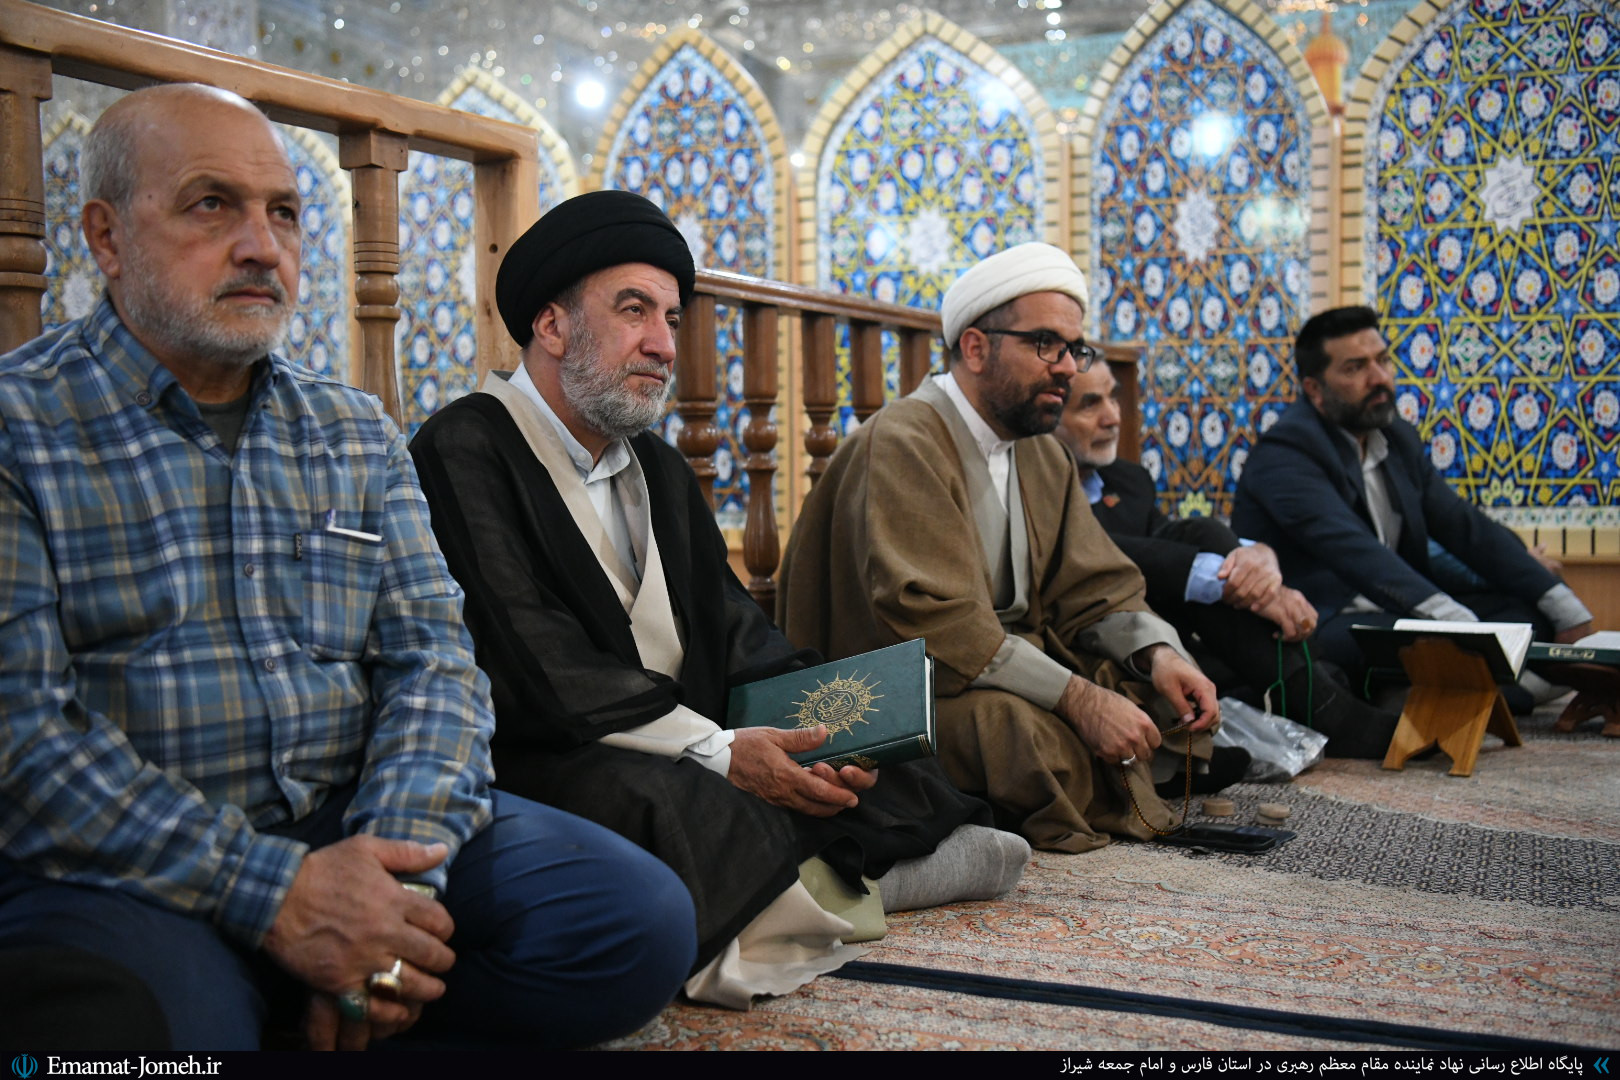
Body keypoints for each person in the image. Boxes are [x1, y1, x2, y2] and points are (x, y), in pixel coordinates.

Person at [0, 84, 696, 1051]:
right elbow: (25, 743)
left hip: (356, 824)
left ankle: (341, 989)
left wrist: (391, 889)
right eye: (212, 205)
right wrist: (278, 895)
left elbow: (437, 669)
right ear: (106, 238)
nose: (261, 245)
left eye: (284, 212)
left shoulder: (351, 430)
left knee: (638, 924)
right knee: (142, 1034)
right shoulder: (22, 427)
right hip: (133, 866)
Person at [407, 190, 1024, 1009]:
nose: (665, 345)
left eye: (672, 318)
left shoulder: (657, 467)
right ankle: (833, 883)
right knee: (672, 798)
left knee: (876, 764)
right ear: (551, 326)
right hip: (555, 745)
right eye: (634, 310)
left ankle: (820, 870)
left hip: (693, 732)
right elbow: (533, 662)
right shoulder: (463, 447)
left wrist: (815, 726)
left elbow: (734, 628)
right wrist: (720, 751)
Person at [778, 242, 1222, 853]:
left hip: (1010, 669)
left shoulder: (1042, 452)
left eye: (1073, 348)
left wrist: (1159, 655)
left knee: (1157, 694)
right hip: (909, 690)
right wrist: (1077, 699)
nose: (1067, 368)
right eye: (1045, 344)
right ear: (976, 348)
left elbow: (1094, 586)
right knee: (1017, 730)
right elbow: (934, 622)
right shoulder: (905, 441)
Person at [1232, 305, 1594, 701]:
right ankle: (1510, 693)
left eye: (1382, 360)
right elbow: (1357, 552)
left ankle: (1487, 691)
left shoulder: (1395, 437)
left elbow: (1463, 526)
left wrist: (1564, 608)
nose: (1379, 378)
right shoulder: (1286, 452)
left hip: (1395, 608)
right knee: (1437, 646)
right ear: (1315, 390)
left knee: (1529, 615)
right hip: (1320, 620)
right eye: (1355, 368)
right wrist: (1466, 631)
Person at [1056, 362, 1400, 758]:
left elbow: (1168, 541)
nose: (1113, 417)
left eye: (1113, 398)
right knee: (1205, 547)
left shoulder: (1128, 481)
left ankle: (1314, 698)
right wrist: (1231, 579)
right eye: (1090, 405)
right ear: (1048, 417)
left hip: (1168, 637)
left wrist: (1257, 559)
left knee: (1205, 538)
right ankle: (1327, 709)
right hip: (1103, 642)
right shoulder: (1038, 494)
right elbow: (1104, 554)